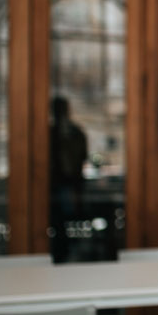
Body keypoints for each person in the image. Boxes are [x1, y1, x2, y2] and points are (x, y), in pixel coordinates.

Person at [49, 95, 88, 263]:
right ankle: (61, 251)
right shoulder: (49, 133)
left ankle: (69, 250)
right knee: (57, 222)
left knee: (69, 219)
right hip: (53, 185)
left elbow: (82, 155)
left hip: (71, 184)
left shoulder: (74, 132)